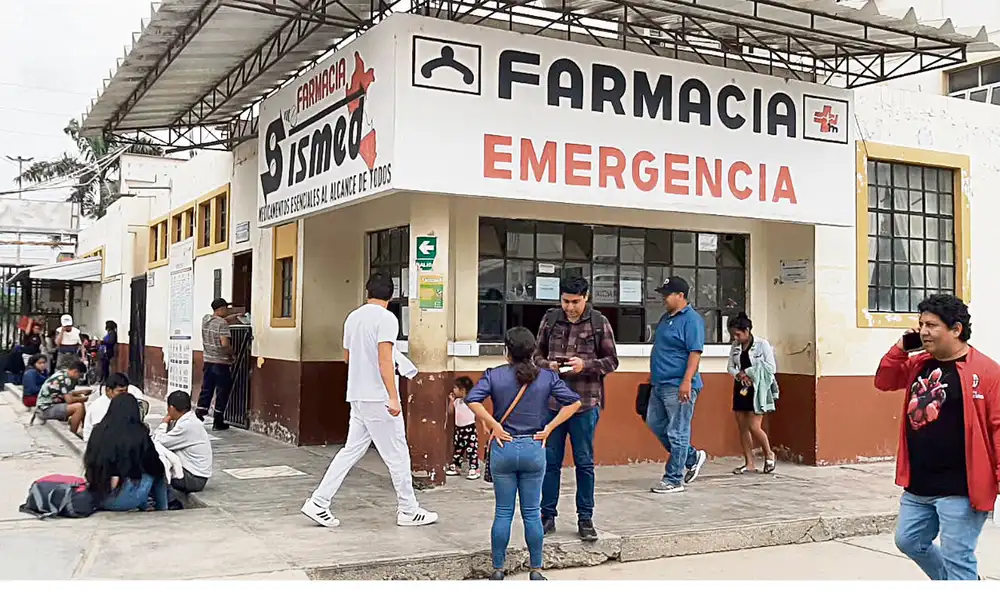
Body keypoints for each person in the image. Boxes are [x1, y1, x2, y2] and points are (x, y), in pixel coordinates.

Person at [874, 294, 1000, 581]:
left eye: (931, 325)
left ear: (956, 329)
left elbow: (998, 427)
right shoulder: (920, 363)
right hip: (919, 483)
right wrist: (900, 348)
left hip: (961, 487)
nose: (923, 331)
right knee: (909, 541)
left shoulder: (987, 372)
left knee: (958, 556)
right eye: (921, 325)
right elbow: (884, 381)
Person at [301, 273, 438, 528]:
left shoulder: (353, 317)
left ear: (367, 292)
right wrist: (393, 397)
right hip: (379, 397)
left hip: (358, 395)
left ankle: (319, 502)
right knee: (397, 454)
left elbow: (347, 357)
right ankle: (408, 509)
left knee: (350, 451)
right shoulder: (387, 319)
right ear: (392, 295)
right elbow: (384, 359)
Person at [466, 327, 582, 581]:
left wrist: (494, 425)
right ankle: (536, 570)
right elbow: (574, 402)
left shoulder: (494, 375)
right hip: (533, 447)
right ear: (532, 351)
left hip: (504, 447)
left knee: (503, 512)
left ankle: (498, 569)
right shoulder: (546, 377)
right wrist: (549, 428)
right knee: (531, 513)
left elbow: (472, 399)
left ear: (507, 351)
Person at [533, 276, 618, 542]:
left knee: (584, 463)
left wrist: (586, 365)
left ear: (586, 297)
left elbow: (612, 361)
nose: (570, 307)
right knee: (550, 463)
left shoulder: (598, 323)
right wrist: (549, 366)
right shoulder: (550, 319)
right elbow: (536, 355)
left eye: (575, 302)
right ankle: (547, 516)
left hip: (585, 402)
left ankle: (585, 518)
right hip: (553, 404)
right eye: (566, 301)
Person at [646, 276, 708, 494]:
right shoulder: (666, 318)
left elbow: (695, 353)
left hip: (679, 385)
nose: (663, 298)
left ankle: (673, 478)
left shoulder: (692, 320)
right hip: (659, 383)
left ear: (680, 296)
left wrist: (687, 381)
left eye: (667, 294)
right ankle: (692, 456)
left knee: (677, 432)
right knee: (654, 423)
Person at [84, 394, 168, 512]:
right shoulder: (139, 433)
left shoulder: (98, 431)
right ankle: (163, 509)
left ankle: (146, 504)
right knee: (157, 469)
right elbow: (153, 464)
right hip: (125, 500)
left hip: (96, 498)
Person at [726, 312, 778, 475]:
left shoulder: (762, 345)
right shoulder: (735, 347)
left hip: (757, 389)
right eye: (733, 334)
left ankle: (769, 453)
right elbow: (730, 367)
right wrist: (738, 375)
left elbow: (771, 367)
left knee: (754, 426)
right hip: (741, 388)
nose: (736, 337)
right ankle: (749, 463)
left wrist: (749, 372)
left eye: (738, 334)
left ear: (747, 330)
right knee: (742, 427)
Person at [153, 390, 214, 495]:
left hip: (194, 478)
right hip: (193, 474)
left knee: (155, 465)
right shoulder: (187, 420)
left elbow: (159, 441)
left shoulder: (187, 425)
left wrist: (163, 424)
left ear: (171, 408)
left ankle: (165, 501)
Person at [198, 298, 234, 431]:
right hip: (221, 362)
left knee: (206, 390)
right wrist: (231, 354)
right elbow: (225, 344)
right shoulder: (222, 324)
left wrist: (232, 318)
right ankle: (218, 421)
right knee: (222, 392)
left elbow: (217, 322)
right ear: (222, 309)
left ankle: (199, 415)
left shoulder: (206, 320)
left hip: (208, 361)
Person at [36, 359, 89, 436]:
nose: (79, 378)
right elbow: (69, 400)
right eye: (79, 375)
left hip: (48, 405)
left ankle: (84, 426)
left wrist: (81, 392)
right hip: (46, 409)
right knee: (79, 407)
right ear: (75, 371)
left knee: (79, 399)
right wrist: (87, 398)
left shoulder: (63, 373)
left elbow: (65, 392)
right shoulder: (63, 379)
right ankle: (72, 433)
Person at [446, 376, 480, 480]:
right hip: (459, 429)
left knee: (472, 450)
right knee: (458, 449)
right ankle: (456, 466)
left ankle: (474, 468)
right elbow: (450, 411)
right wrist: (451, 401)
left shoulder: (471, 401)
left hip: (469, 429)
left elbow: (478, 413)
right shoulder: (457, 401)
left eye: (456, 388)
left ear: (463, 390)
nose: (453, 390)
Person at [82, 372, 130, 443]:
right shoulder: (99, 406)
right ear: (108, 390)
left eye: (126, 391)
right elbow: (102, 432)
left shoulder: (122, 403)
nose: (124, 394)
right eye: (120, 391)